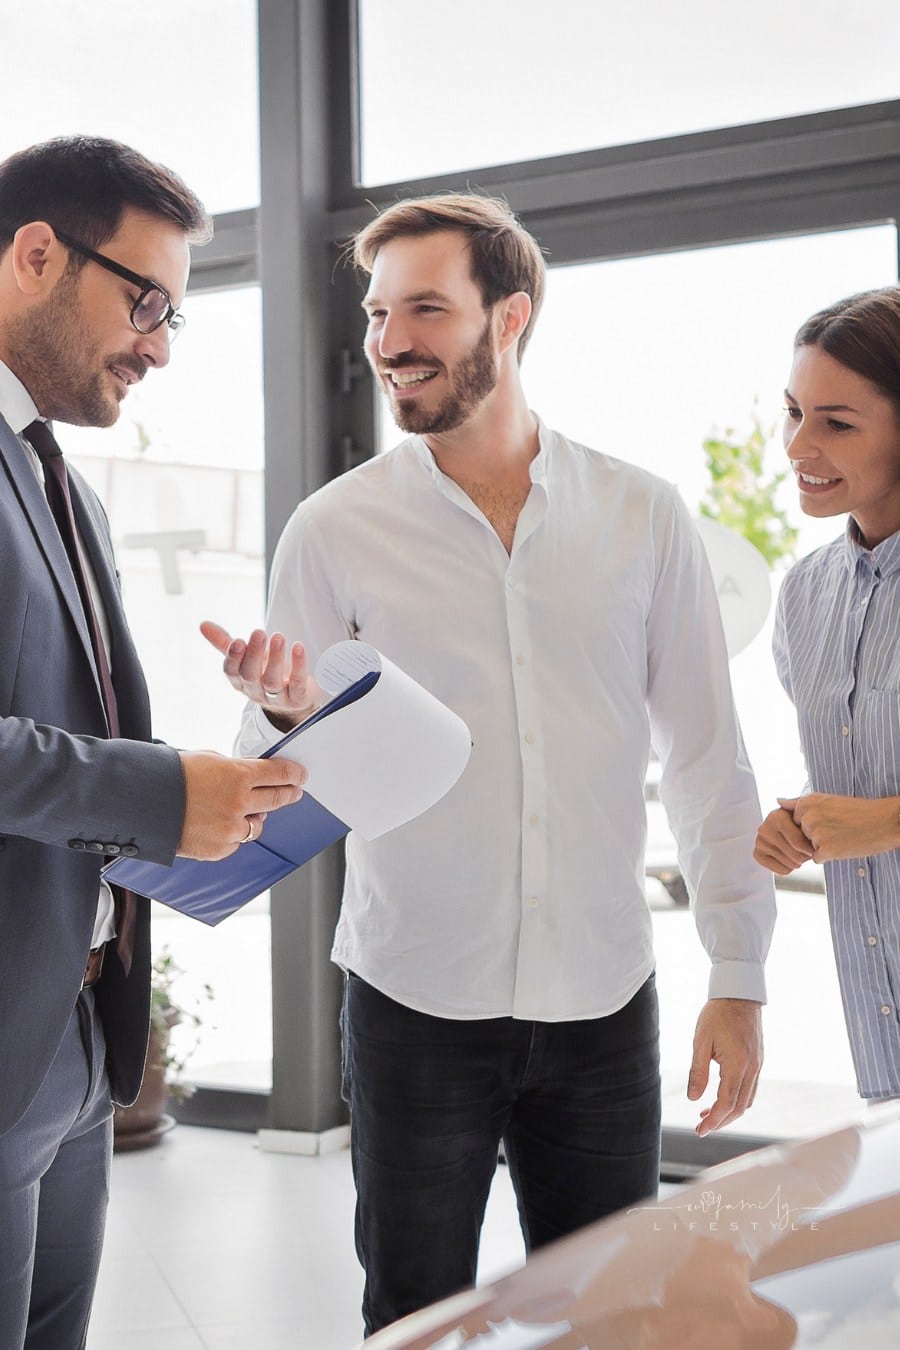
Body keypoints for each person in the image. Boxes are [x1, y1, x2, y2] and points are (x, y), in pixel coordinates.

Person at [203, 192, 775, 1333]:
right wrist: (282, 717)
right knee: (413, 1311)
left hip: (604, 999)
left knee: (610, 1316)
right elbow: (269, 785)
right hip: (415, 996)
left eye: (425, 306)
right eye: (376, 311)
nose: (388, 340)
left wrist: (741, 975)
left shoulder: (643, 516)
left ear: (508, 318)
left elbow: (711, 755)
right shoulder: (332, 529)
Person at [0, 136, 307, 1350]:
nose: (161, 345)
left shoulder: (63, 483)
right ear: (34, 254)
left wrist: (259, 735)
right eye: (146, 301)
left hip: (72, 1035)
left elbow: (75, 740)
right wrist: (161, 787)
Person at [754, 286, 900, 1102]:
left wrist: (887, 821)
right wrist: (800, 823)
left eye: (837, 423)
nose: (797, 445)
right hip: (877, 1007)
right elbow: (857, 772)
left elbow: (878, 811)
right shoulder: (805, 596)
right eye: (792, 412)